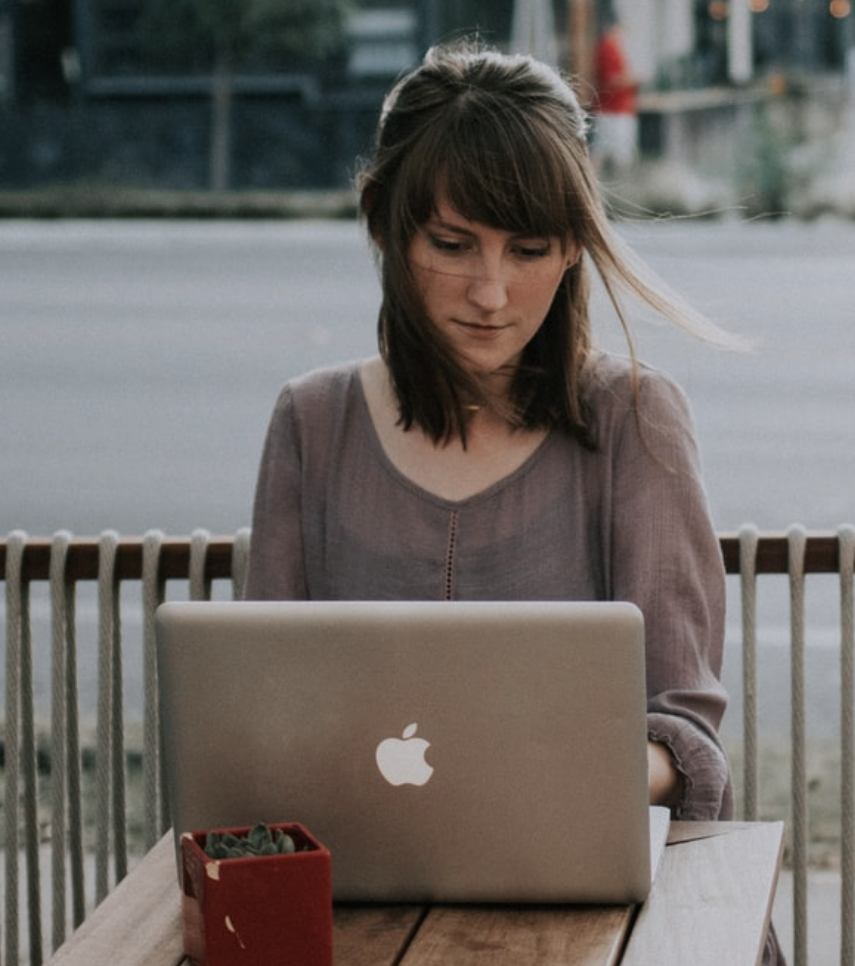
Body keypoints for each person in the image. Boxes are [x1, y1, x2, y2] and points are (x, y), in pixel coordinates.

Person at [243, 42, 745, 824]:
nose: (490, 291)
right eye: (451, 244)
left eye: (529, 249)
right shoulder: (311, 422)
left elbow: (683, 735)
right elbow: (264, 715)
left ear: (574, 245)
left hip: (590, 903)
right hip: (364, 887)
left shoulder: (635, 416)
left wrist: (541, 774)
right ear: (383, 224)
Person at [591, 20, 641, 176]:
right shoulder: (607, 48)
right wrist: (635, 79)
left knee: (604, 149)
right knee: (613, 150)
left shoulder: (613, 48)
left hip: (617, 108)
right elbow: (612, 80)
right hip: (612, 109)